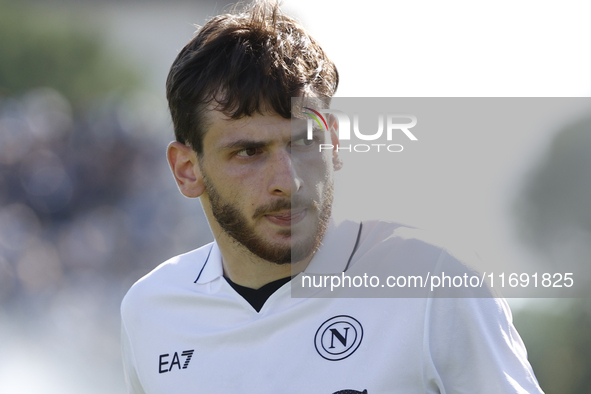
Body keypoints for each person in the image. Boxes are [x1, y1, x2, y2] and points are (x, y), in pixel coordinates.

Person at [121, 1, 544, 393]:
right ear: (187, 170)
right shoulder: (150, 309)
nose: (288, 182)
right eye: (249, 152)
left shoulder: (433, 279)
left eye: (305, 142)